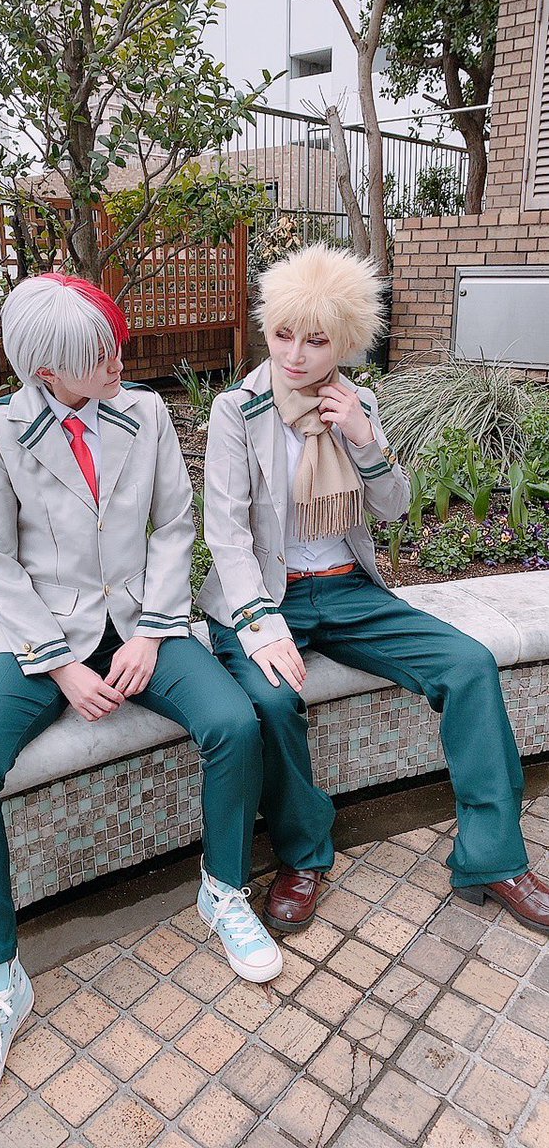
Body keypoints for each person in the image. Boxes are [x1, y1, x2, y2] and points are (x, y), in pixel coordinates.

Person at [0, 273, 283, 1116]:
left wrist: (153, 634)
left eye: (114, 342)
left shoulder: (145, 412)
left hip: (138, 623)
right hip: (39, 638)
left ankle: (222, 891)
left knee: (234, 722)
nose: (119, 359)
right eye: (100, 353)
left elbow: (174, 525)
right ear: (47, 370)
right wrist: (60, 666)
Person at [197, 243, 549, 937]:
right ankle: (302, 857)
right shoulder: (237, 410)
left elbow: (391, 508)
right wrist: (259, 623)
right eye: (283, 335)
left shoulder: (358, 402)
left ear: (345, 341)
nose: (295, 354)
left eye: (316, 340)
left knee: (469, 665)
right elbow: (226, 532)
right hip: (266, 596)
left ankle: (493, 859)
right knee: (271, 700)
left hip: (348, 591)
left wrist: (363, 438)